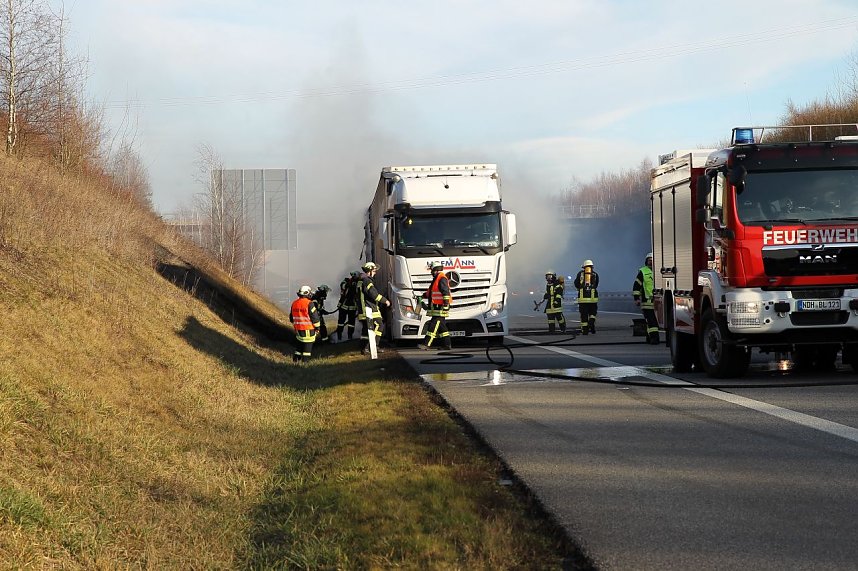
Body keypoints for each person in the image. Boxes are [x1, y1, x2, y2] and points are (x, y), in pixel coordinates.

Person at [418, 261, 453, 351]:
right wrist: (422, 296)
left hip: (441, 307)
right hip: (437, 307)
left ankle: (426, 344)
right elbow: (431, 292)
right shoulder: (437, 279)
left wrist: (445, 303)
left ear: (436, 270)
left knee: (433, 325)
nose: (431, 272)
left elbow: (445, 292)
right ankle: (447, 345)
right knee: (442, 327)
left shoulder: (441, 279)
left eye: (432, 270)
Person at [357, 261, 391, 355]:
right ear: (370, 270)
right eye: (374, 270)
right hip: (369, 308)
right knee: (379, 325)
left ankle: (365, 348)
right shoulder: (367, 280)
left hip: (365, 308)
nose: (375, 272)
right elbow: (374, 295)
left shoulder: (361, 280)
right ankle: (372, 346)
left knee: (366, 330)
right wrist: (385, 301)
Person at [289, 285, 321, 363]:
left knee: (299, 347)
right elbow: (315, 318)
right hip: (308, 330)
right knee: (307, 349)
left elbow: (291, 318)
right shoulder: (309, 303)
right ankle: (305, 365)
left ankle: (295, 362)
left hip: (298, 330)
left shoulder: (294, 303)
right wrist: (317, 328)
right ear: (306, 293)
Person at [633, 252, 660, 345]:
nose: (651, 262)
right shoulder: (643, 272)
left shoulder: (659, 271)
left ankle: (649, 337)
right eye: (649, 260)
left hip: (659, 302)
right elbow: (636, 286)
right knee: (652, 321)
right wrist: (636, 298)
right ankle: (655, 339)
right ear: (646, 261)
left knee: (653, 322)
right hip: (647, 302)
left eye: (653, 261)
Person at [574, 259, 599, 335]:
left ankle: (585, 331)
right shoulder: (595, 274)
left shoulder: (580, 274)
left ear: (584, 267)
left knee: (584, 315)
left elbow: (576, 284)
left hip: (583, 299)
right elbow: (596, 285)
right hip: (593, 299)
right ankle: (591, 324)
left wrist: (581, 288)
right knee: (593, 313)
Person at [335, 272, 359, 342]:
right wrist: (350, 284)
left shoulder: (358, 283)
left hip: (352, 306)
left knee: (351, 323)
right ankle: (339, 336)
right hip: (343, 305)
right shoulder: (346, 281)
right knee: (341, 322)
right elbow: (342, 286)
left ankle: (350, 336)